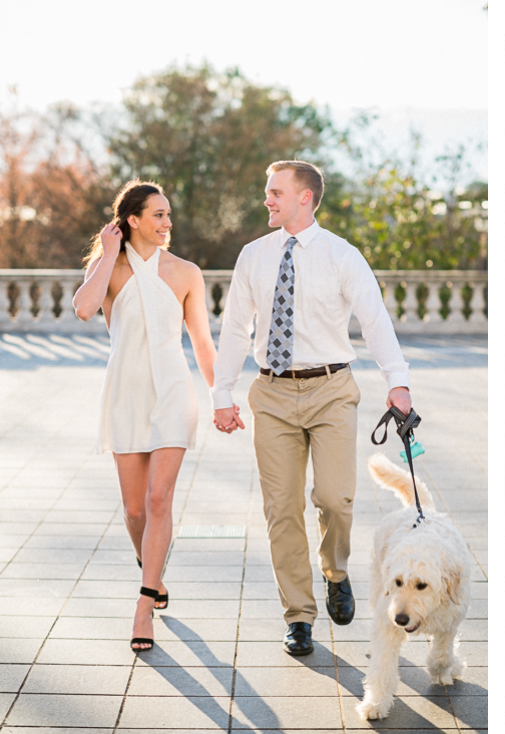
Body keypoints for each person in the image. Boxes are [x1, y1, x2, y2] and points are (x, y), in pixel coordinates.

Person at [212, 160, 411, 656]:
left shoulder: (342, 256)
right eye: (267, 191)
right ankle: (298, 616)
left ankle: (335, 571)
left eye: (276, 192)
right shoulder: (253, 255)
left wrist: (398, 382)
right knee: (281, 509)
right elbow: (235, 328)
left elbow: (374, 319)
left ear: (305, 197)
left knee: (336, 498)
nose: (267, 200)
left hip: (331, 390)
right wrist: (223, 393)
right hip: (273, 393)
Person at [72, 180, 217, 652]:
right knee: (135, 509)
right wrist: (105, 254)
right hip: (126, 394)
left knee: (159, 501)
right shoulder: (110, 270)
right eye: (157, 214)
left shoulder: (186, 272)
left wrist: (225, 397)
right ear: (132, 220)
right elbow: (83, 309)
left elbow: (201, 342)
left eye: (168, 214)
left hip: (173, 392)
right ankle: (152, 574)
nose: (167, 222)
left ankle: (143, 606)